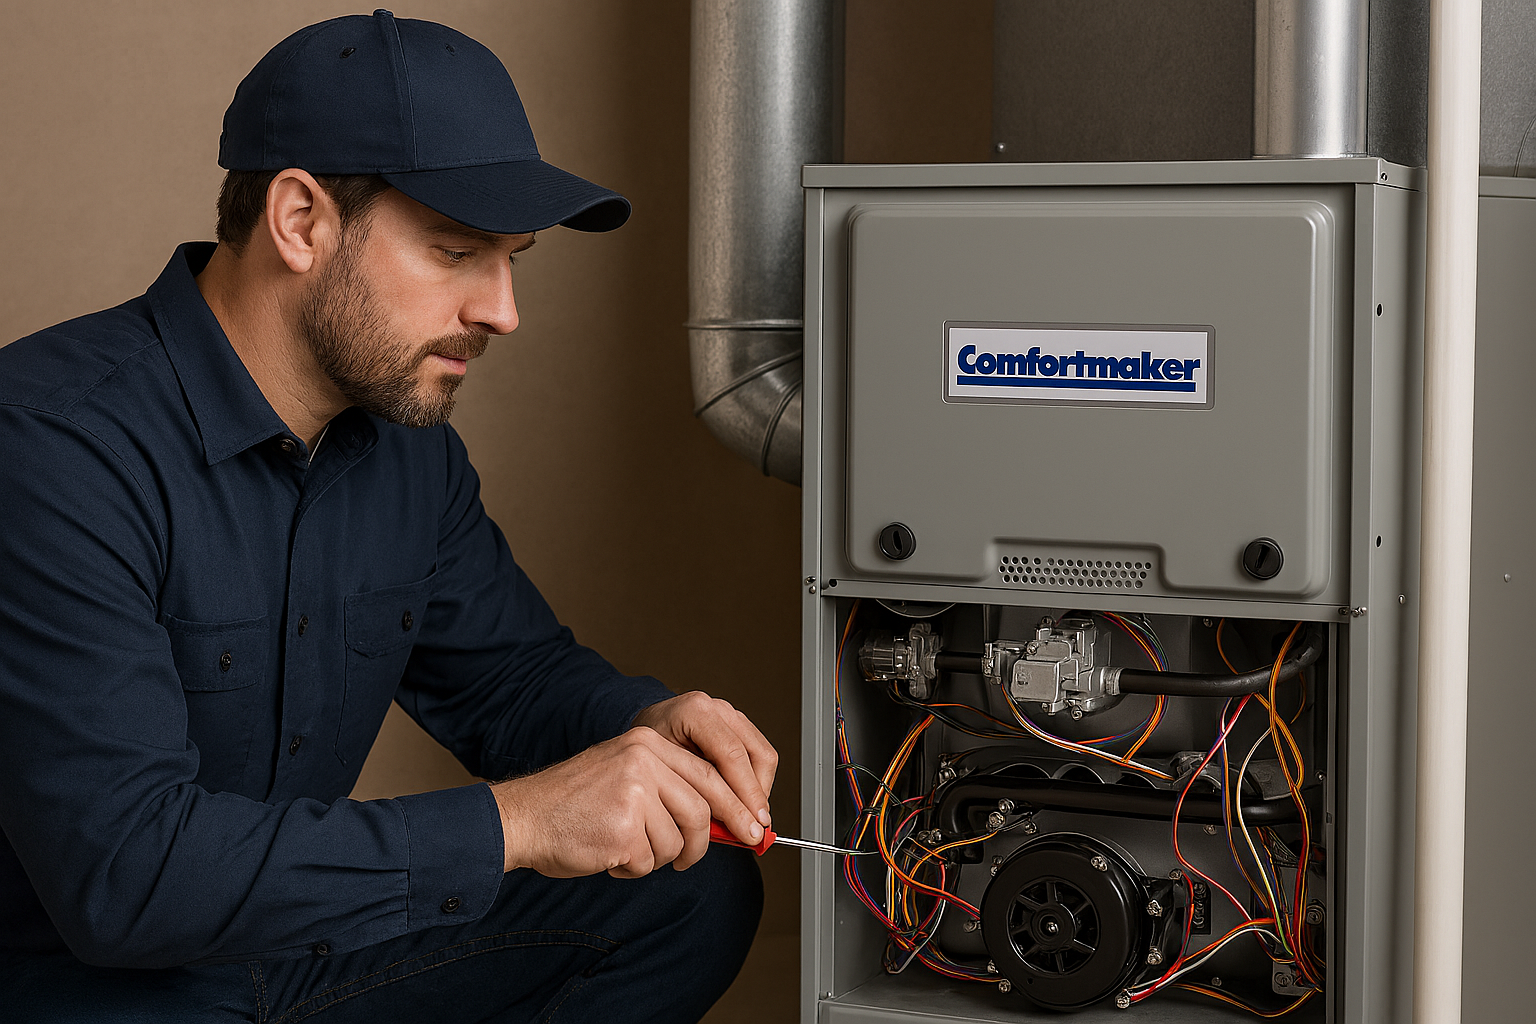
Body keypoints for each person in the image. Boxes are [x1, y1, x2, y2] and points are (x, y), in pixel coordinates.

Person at [0, 11, 774, 1023]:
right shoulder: (53, 445)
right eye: (457, 251)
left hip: (288, 953)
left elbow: (513, 679)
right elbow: (128, 878)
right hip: (78, 987)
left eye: (513, 260)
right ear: (301, 221)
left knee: (690, 889)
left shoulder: (409, 450)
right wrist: (522, 821)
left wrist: (643, 728)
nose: (502, 310)